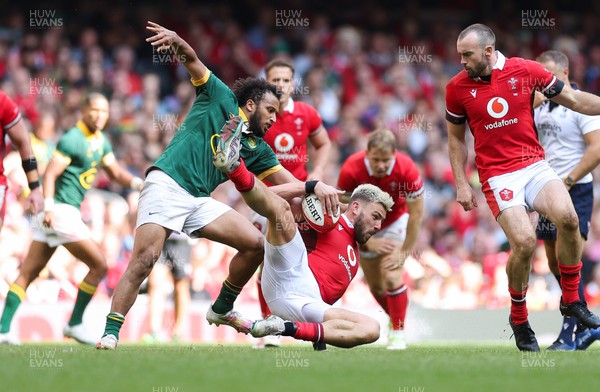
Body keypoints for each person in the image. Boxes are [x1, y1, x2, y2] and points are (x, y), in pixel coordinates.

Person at [97, 22, 341, 350]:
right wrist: (177, 41)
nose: (273, 119)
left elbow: (290, 183)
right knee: (145, 259)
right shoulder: (220, 96)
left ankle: (221, 308)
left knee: (255, 244)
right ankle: (111, 333)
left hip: (199, 200)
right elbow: (192, 60)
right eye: (270, 110)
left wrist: (315, 186)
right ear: (251, 104)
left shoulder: (257, 149)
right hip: (167, 183)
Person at [446, 23, 600, 351]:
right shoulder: (456, 88)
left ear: (488, 51)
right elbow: (456, 140)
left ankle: (572, 300)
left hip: (533, 165)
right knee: (526, 243)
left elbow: (573, 99)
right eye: (460, 55)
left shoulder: (526, 70)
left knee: (569, 219)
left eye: (467, 55)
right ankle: (519, 316)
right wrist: (462, 183)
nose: (461, 61)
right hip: (497, 176)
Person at [211, 133, 393, 348]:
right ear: (355, 207)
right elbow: (271, 195)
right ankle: (233, 166)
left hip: (307, 305)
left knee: (372, 328)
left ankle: (280, 328)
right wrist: (309, 186)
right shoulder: (328, 214)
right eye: (375, 217)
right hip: (291, 271)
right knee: (280, 209)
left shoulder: (354, 253)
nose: (378, 226)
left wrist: (321, 337)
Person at [0, 92, 143, 345]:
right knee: (99, 264)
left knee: (28, 273)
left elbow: (114, 172)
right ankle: (75, 323)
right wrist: (51, 207)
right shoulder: (72, 139)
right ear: (84, 110)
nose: (100, 116)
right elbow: (51, 175)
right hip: (61, 211)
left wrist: (136, 183)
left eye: (104, 112)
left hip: (59, 214)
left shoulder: (100, 141)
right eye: (95, 110)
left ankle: (3, 330)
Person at [254, 58, 332, 348]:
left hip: (302, 198)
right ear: (266, 80)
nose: (281, 85)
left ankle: (314, 328)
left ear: (294, 82)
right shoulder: (259, 114)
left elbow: (324, 143)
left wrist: (317, 174)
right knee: (265, 260)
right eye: (275, 79)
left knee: (309, 263)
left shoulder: (306, 113)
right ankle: (270, 328)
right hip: (266, 196)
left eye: (286, 80)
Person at [533, 50, 600, 351]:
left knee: (566, 257)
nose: (543, 81)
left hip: (575, 189)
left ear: (564, 73)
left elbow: (597, 149)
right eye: (540, 75)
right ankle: (587, 326)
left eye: (548, 74)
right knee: (553, 262)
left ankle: (569, 333)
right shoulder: (539, 106)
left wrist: (569, 180)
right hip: (547, 191)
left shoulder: (580, 103)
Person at [337, 129, 424, 350]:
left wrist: (405, 252)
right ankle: (396, 317)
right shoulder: (351, 169)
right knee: (376, 288)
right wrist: (367, 242)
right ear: (367, 154)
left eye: (386, 160)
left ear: (395, 154)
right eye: (376, 159)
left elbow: (417, 214)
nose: (381, 165)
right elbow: (344, 209)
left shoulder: (407, 169)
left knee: (392, 275)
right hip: (365, 227)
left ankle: (398, 332)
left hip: (395, 223)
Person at [142, 233, 192, 343]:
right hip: (159, 235)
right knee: (155, 281)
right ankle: (154, 331)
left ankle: (178, 333)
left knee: (180, 286)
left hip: (181, 238)